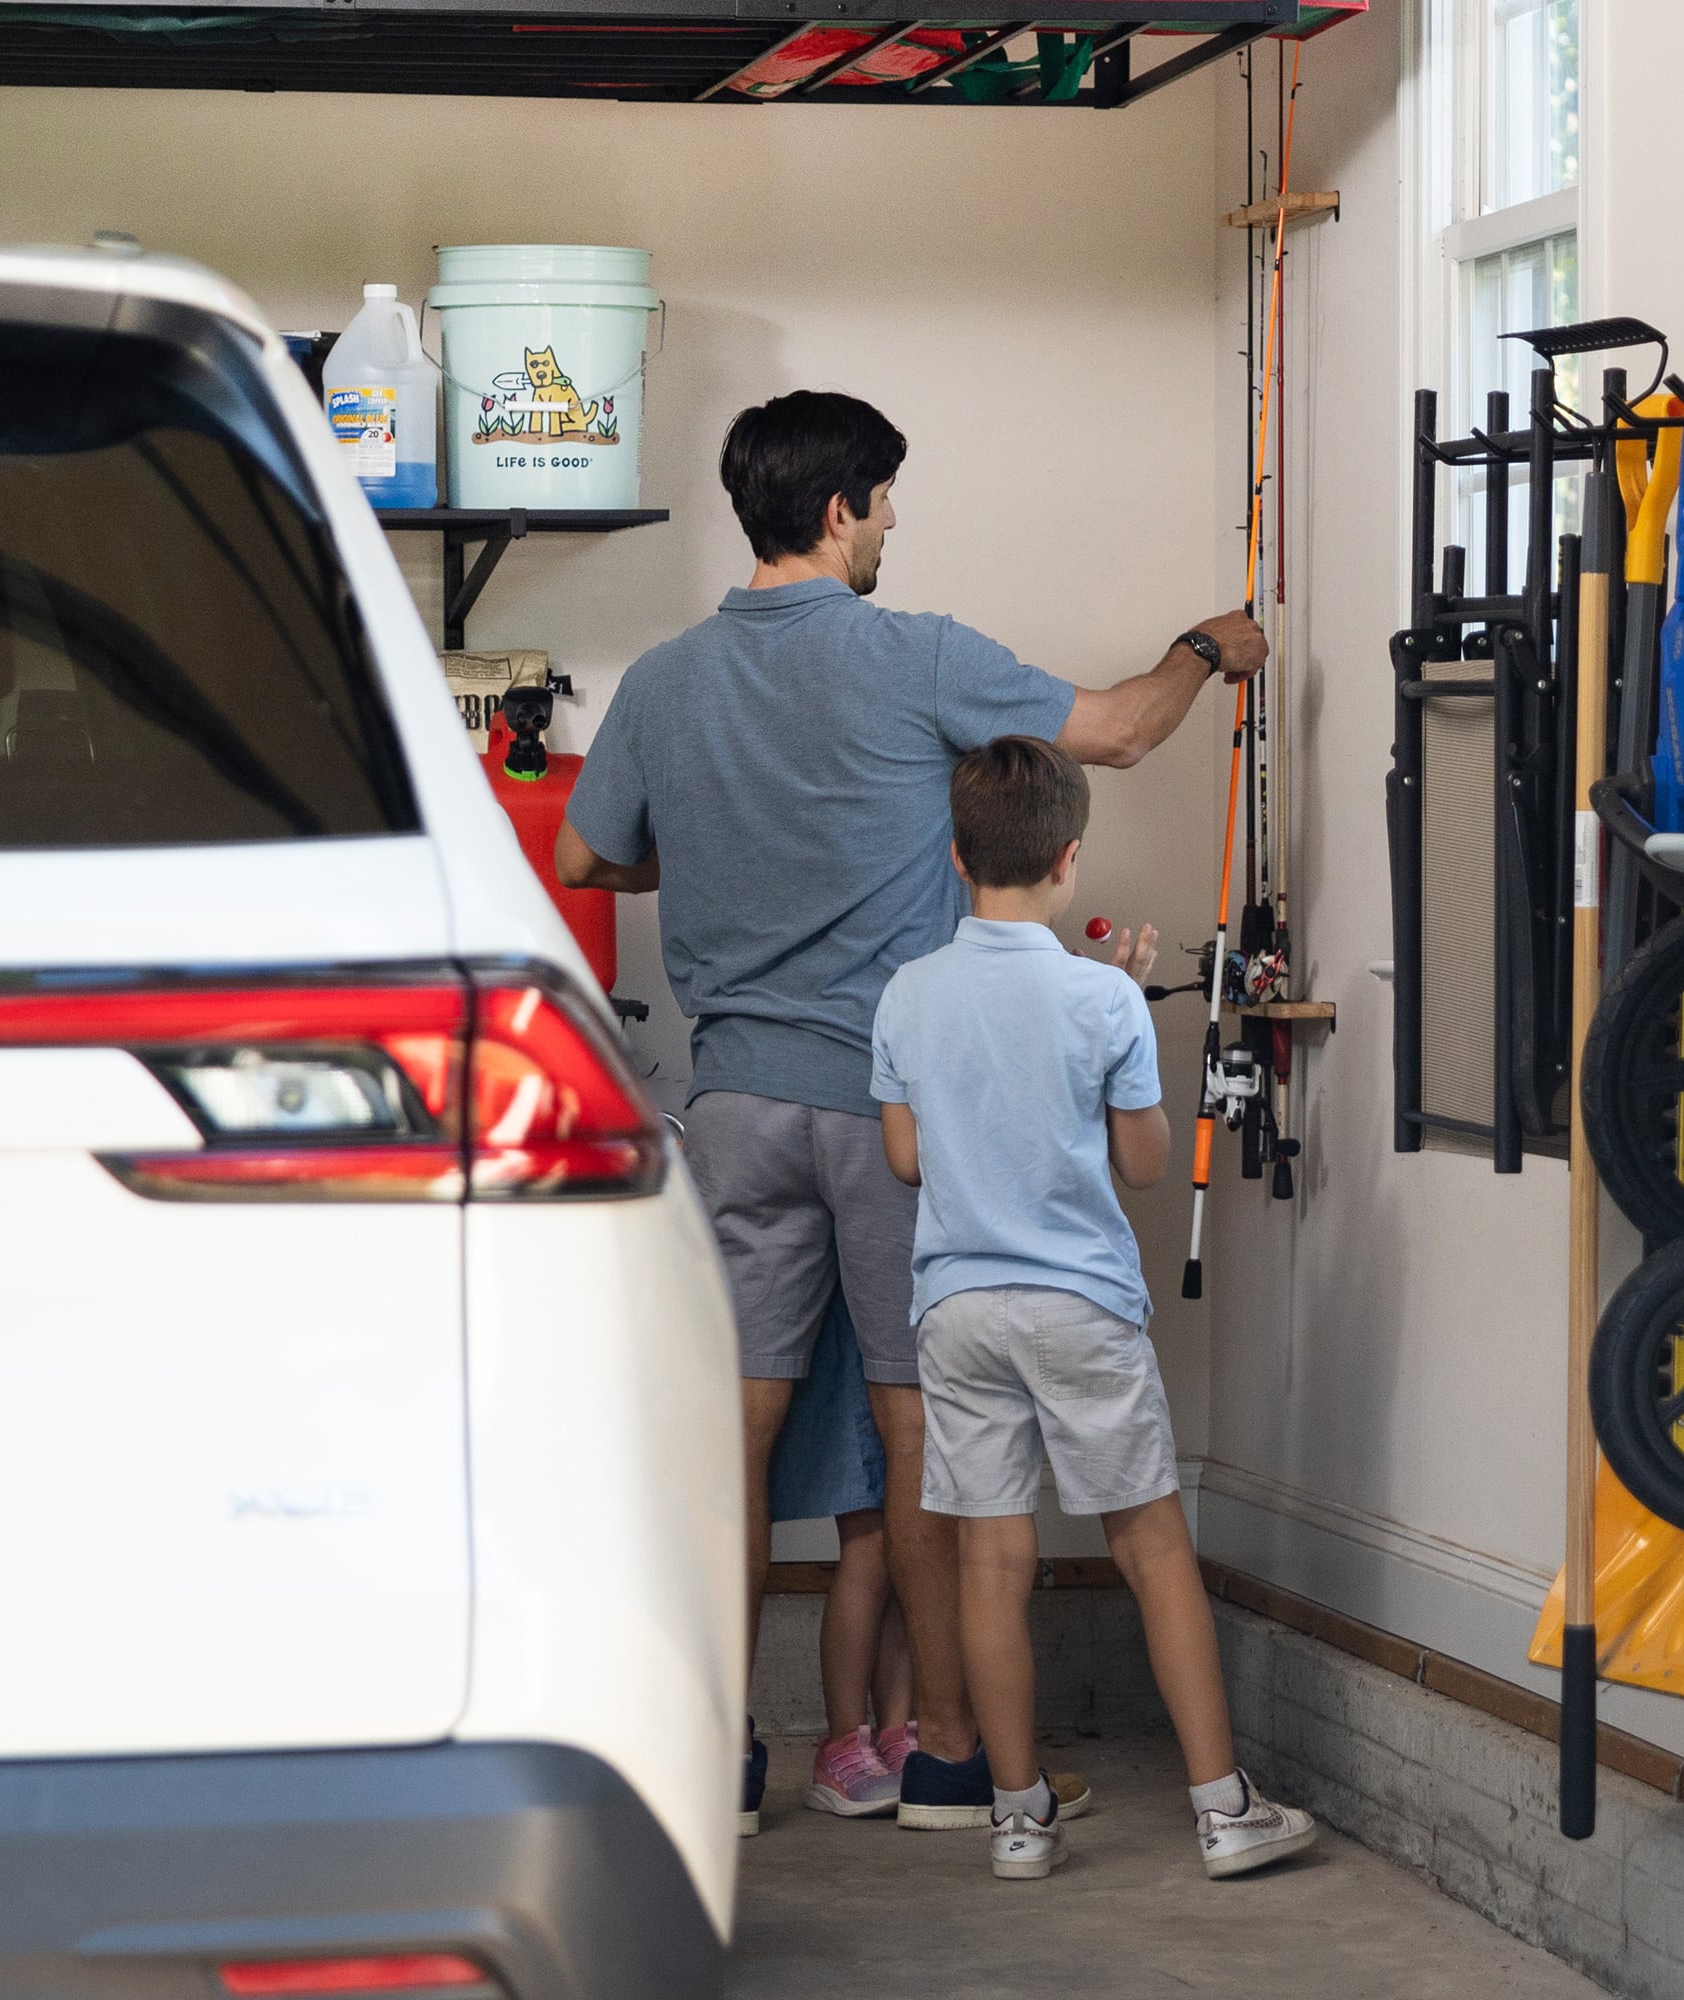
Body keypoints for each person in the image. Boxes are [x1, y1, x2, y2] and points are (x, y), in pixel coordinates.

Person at [555, 389, 1265, 1836]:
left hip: (735, 1103)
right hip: (881, 1111)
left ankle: (722, 1761)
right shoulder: (912, 655)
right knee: (919, 1431)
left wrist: (711, 848)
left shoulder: (665, 682)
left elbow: (585, 850)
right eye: (884, 501)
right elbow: (1121, 732)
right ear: (838, 513)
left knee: (732, 1446)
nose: (892, 525)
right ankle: (947, 1756)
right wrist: (1208, 648)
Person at [871, 736, 1317, 1882]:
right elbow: (1144, 1163)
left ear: (958, 853)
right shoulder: (1097, 997)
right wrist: (1122, 1006)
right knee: (1151, 1544)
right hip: (1077, 1302)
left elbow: (907, 1159)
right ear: (1068, 859)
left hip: (956, 1306)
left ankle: (1016, 1818)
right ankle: (1223, 1810)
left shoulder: (908, 993)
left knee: (988, 1559)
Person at [765, 1290, 914, 1820]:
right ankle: (844, 1743)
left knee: (904, 1544)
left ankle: (897, 1733)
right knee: (871, 1537)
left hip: (889, 1320)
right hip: (853, 1322)